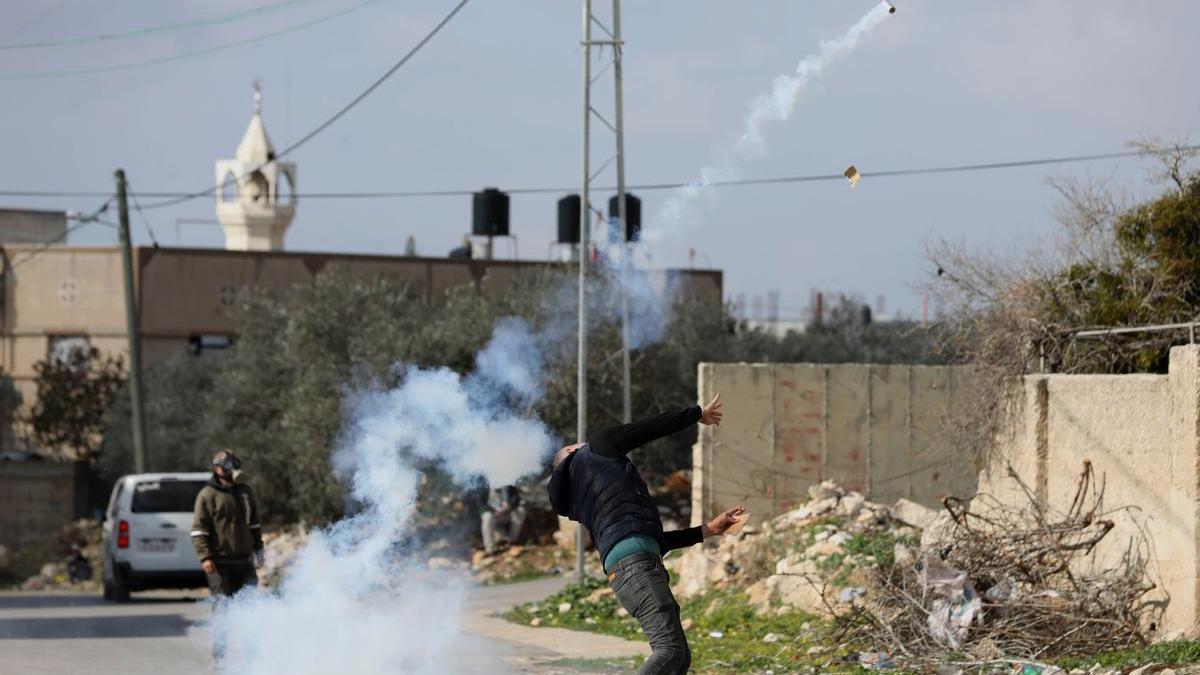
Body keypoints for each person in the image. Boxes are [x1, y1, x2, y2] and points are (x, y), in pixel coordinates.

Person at [548, 394, 745, 675]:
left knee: (679, 659)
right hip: (637, 568)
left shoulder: (586, 502)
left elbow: (649, 540)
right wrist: (696, 413)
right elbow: (649, 427)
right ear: (570, 452)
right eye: (574, 444)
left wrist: (708, 530)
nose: (580, 442)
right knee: (670, 651)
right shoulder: (597, 450)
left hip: (628, 572)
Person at [191, 449, 264, 663]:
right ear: (217, 470)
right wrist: (205, 557)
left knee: (250, 611)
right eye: (228, 466)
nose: (233, 470)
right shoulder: (207, 495)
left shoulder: (245, 492)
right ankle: (220, 660)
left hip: (244, 562)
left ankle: (252, 658)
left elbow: (255, 524)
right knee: (222, 612)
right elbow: (199, 530)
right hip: (220, 565)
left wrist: (258, 548)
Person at [481, 485, 526, 555]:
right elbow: (481, 505)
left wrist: (509, 506)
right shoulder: (484, 489)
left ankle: (512, 541)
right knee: (487, 516)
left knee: (520, 510)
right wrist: (494, 512)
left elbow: (516, 499)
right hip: (494, 519)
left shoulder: (509, 487)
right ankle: (490, 548)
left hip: (507, 515)